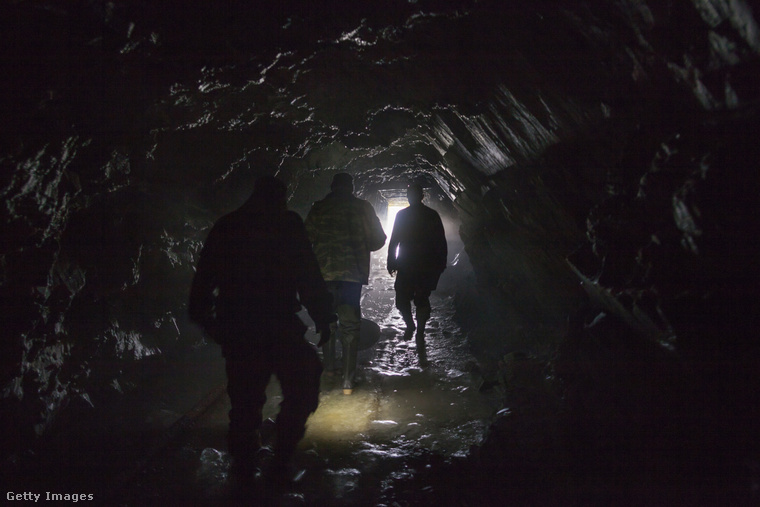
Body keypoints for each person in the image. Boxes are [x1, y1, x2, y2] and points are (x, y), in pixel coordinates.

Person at [188, 176, 334, 487]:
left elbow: (203, 280)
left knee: (245, 401)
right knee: (302, 386)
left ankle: (244, 470)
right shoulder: (287, 224)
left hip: (241, 328)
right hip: (278, 325)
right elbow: (307, 273)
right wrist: (323, 315)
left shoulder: (227, 226)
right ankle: (276, 461)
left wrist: (206, 319)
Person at [304, 173, 386, 395]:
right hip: (351, 276)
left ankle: (329, 370)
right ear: (351, 188)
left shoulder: (318, 208)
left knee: (327, 322)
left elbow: (305, 239)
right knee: (350, 326)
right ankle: (348, 382)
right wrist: (358, 243)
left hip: (323, 277)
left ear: (332, 187)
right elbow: (379, 239)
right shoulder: (363, 208)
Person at [387, 182, 447, 363]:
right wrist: (441, 263)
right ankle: (415, 327)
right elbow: (441, 242)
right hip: (422, 265)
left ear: (417, 196)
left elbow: (395, 240)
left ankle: (414, 327)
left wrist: (392, 261)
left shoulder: (404, 215)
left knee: (405, 298)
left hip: (408, 263)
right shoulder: (431, 215)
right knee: (418, 297)